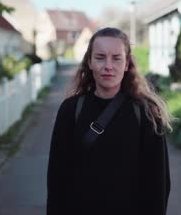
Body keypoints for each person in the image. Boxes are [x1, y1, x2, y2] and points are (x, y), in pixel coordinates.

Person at [47, 27, 173, 215]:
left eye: (116, 58)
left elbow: (158, 183)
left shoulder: (147, 113)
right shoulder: (71, 109)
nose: (108, 66)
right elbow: (57, 178)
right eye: (100, 57)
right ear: (89, 62)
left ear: (127, 64)